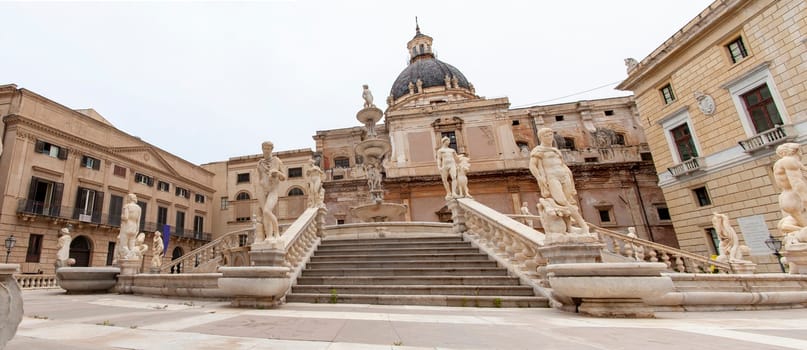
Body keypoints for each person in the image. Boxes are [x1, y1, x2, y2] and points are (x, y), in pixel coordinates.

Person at [529, 128, 589, 235]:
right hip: (551, 177)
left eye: (551, 134)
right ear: (541, 137)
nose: (550, 137)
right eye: (547, 135)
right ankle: (583, 224)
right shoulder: (538, 150)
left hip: (564, 175)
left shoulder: (555, 150)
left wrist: (569, 174)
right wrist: (539, 177)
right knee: (562, 201)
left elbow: (562, 164)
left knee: (568, 202)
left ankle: (569, 227)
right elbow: (532, 166)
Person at [256, 141, 286, 241]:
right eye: (265, 148)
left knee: (267, 211)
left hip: (273, 190)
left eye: (268, 148)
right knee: (264, 214)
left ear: (272, 149)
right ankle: (269, 236)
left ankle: (277, 234)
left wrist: (277, 173)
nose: (266, 150)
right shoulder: (260, 163)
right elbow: (260, 177)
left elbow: (284, 177)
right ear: (262, 149)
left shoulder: (276, 161)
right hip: (262, 190)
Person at [773, 143, 807, 228]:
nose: (801, 154)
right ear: (796, 151)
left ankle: (787, 228)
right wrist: (804, 198)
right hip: (795, 197)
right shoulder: (789, 161)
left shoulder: (778, 164)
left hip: (785, 197)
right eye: (800, 151)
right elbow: (796, 181)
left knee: (802, 227)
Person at [117, 193, 142, 261]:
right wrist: (137, 229)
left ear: (129, 198)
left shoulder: (127, 206)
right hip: (134, 227)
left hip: (127, 225)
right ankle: (131, 258)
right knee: (131, 246)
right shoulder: (139, 208)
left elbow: (125, 217)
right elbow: (138, 221)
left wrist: (121, 216)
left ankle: (125, 258)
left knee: (124, 244)